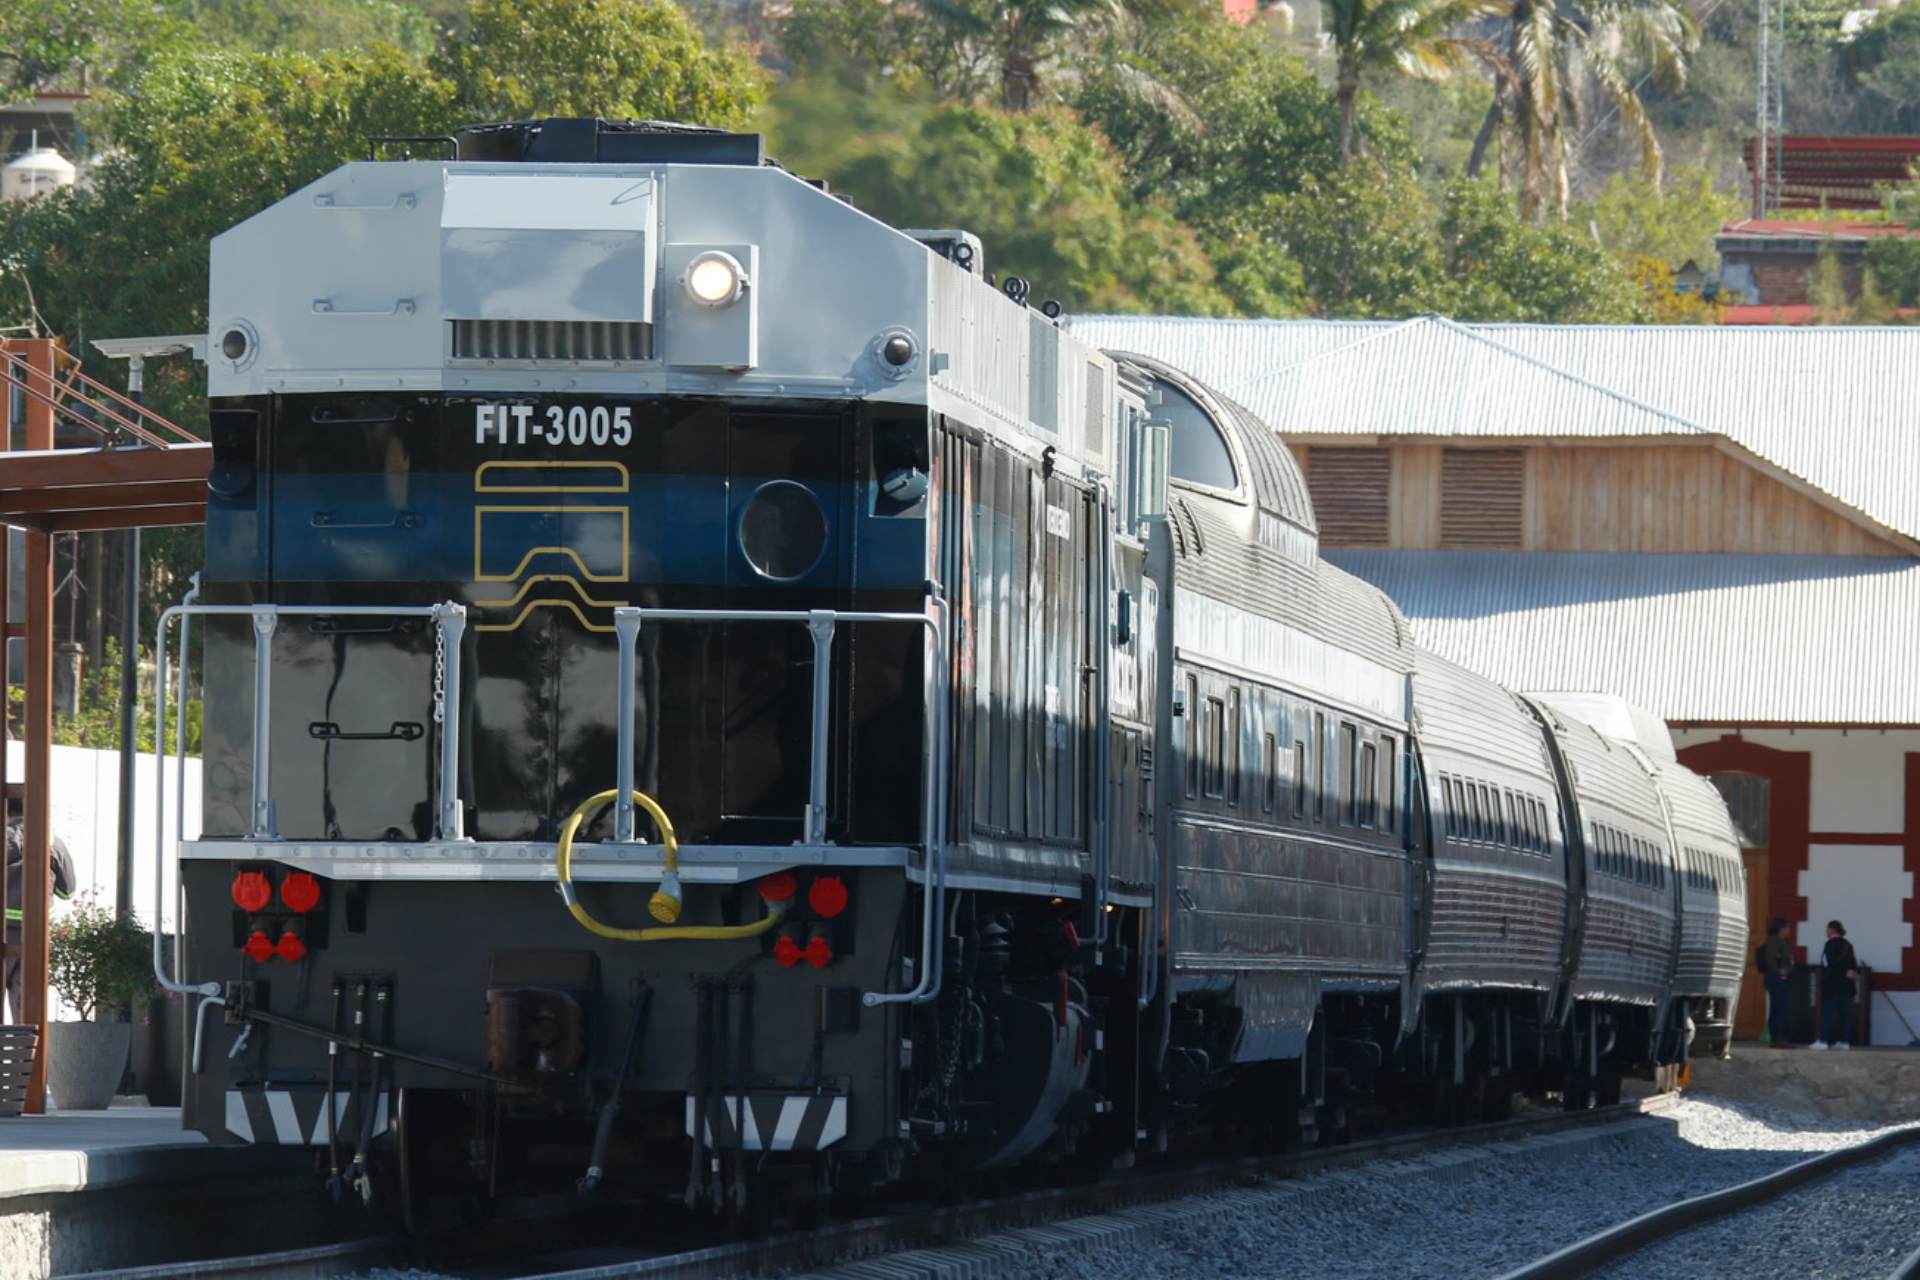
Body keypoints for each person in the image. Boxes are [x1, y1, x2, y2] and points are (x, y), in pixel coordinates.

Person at [3, 804, 76, 1026]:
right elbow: (67, 890)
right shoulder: (52, 841)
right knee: (26, 1015)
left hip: (3, 930)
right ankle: (24, 1060)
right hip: (34, 936)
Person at [1811, 919, 1859, 1051]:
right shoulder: (1848, 945)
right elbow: (1853, 965)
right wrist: (1848, 973)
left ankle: (1823, 1040)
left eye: (1827, 929)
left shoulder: (1829, 945)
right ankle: (1844, 1041)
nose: (1826, 932)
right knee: (1844, 1014)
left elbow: (1826, 964)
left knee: (1827, 1013)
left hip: (1832, 985)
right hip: (1846, 985)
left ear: (1832, 930)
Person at [1755, 918, 1795, 1047]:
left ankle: (1779, 1038)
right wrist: (1779, 972)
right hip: (1776, 979)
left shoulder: (1782, 942)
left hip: (1779, 978)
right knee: (1778, 1009)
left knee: (1779, 1008)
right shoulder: (1774, 941)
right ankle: (1779, 1038)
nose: (1789, 931)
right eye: (1787, 928)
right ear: (1780, 929)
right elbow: (1770, 959)